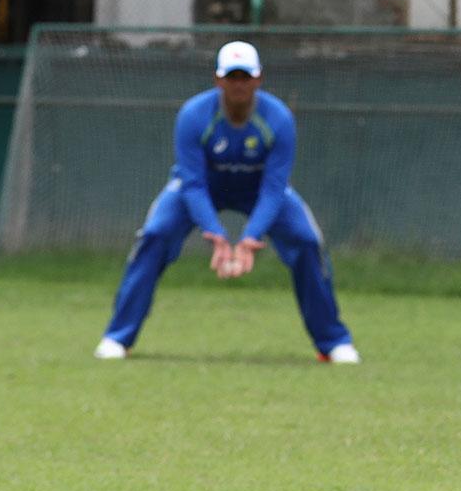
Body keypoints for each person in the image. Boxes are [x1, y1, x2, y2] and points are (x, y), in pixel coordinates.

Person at [95, 41, 358, 364]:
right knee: (155, 235)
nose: (238, 84)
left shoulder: (278, 119)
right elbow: (191, 183)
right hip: (202, 187)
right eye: (231, 77)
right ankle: (118, 337)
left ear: (258, 79)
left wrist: (250, 238)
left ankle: (332, 342)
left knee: (306, 241)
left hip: (259, 188)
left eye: (245, 77)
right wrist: (215, 233)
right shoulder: (194, 115)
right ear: (218, 80)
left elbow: (275, 188)